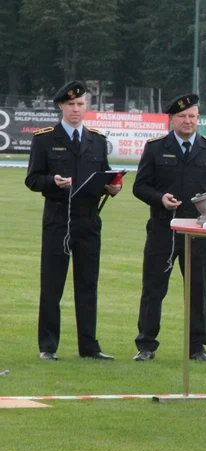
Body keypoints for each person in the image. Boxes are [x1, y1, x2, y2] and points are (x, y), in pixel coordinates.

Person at [25, 80, 120, 361]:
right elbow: (32, 179)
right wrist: (52, 182)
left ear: (87, 106)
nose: (76, 109)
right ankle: (48, 346)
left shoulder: (97, 140)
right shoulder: (44, 139)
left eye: (80, 104)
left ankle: (89, 347)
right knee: (52, 285)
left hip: (89, 222)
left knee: (88, 285)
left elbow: (104, 176)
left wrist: (112, 187)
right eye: (70, 105)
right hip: (58, 221)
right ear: (61, 107)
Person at [132, 93, 206, 362]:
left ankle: (197, 347)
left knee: (197, 290)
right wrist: (160, 199)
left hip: (198, 233)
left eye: (192, 116)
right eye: (182, 116)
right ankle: (146, 345)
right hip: (163, 230)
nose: (188, 121)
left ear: (198, 119)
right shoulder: (155, 147)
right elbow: (140, 186)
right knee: (154, 288)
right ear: (172, 119)